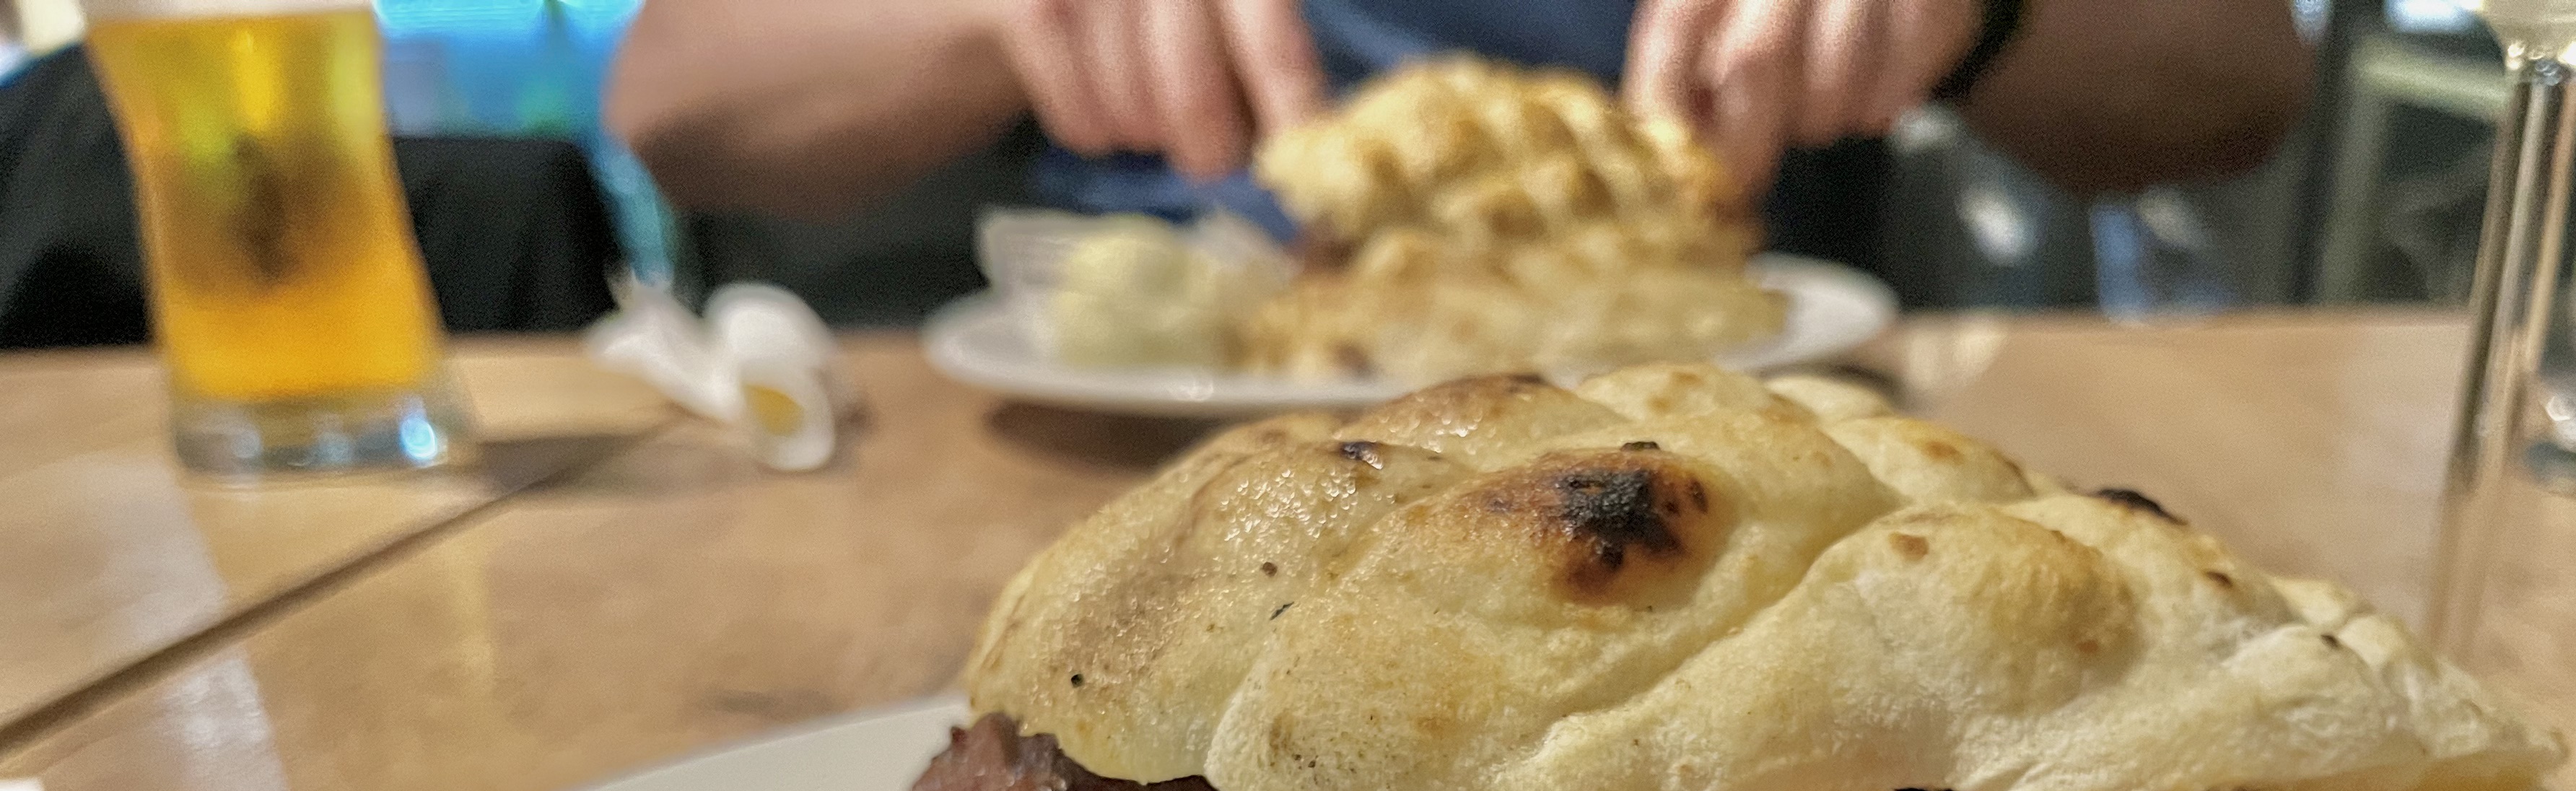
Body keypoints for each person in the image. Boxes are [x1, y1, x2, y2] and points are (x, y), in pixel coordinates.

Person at [608, 0, 2313, 233]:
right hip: (1154, 437)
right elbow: (671, 98)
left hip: (1731, 449)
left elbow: (2243, 85)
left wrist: (1988, 10)